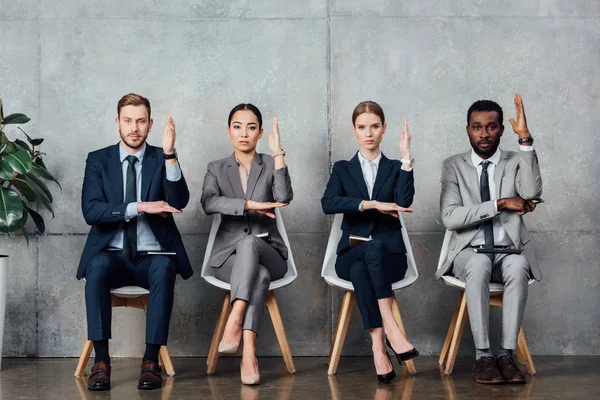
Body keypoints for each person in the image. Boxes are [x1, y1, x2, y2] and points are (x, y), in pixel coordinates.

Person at [77, 93, 192, 391]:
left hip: (150, 256)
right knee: (97, 265)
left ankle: (150, 361)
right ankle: (101, 362)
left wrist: (170, 155)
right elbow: (91, 211)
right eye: (128, 121)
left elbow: (180, 200)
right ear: (117, 122)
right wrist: (139, 206)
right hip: (112, 255)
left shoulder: (160, 158)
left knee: (165, 266)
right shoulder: (98, 160)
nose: (134, 128)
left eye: (141, 121)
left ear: (150, 124)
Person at [436, 94, 543, 384]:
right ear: (468, 129)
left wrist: (525, 140)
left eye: (492, 127)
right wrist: (501, 203)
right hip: (469, 254)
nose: (484, 134)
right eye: (477, 127)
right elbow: (450, 217)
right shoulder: (453, 166)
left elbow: (531, 193)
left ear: (501, 130)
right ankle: (483, 357)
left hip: (508, 250)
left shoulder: (513, 160)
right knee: (480, 262)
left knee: (518, 266)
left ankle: (506, 355)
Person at [321, 101, 419, 383]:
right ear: (354, 130)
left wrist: (406, 157)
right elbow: (328, 203)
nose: (369, 133)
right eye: (362, 127)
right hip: (349, 254)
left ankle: (378, 346)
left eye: (375, 126)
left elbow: (404, 201)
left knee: (362, 268)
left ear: (384, 129)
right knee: (363, 256)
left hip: (391, 260)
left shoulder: (395, 166)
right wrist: (371, 203)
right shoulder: (342, 168)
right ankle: (391, 327)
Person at [201, 103, 293, 385]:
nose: (244, 133)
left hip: (271, 254)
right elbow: (208, 202)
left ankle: (235, 316)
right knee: (259, 276)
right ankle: (249, 353)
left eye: (251, 128)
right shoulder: (216, 168)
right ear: (229, 131)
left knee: (252, 243)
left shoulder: (269, 163)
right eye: (238, 127)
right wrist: (249, 204)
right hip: (227, 260)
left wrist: (278, 154)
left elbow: (284, 197)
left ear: (260, 132)